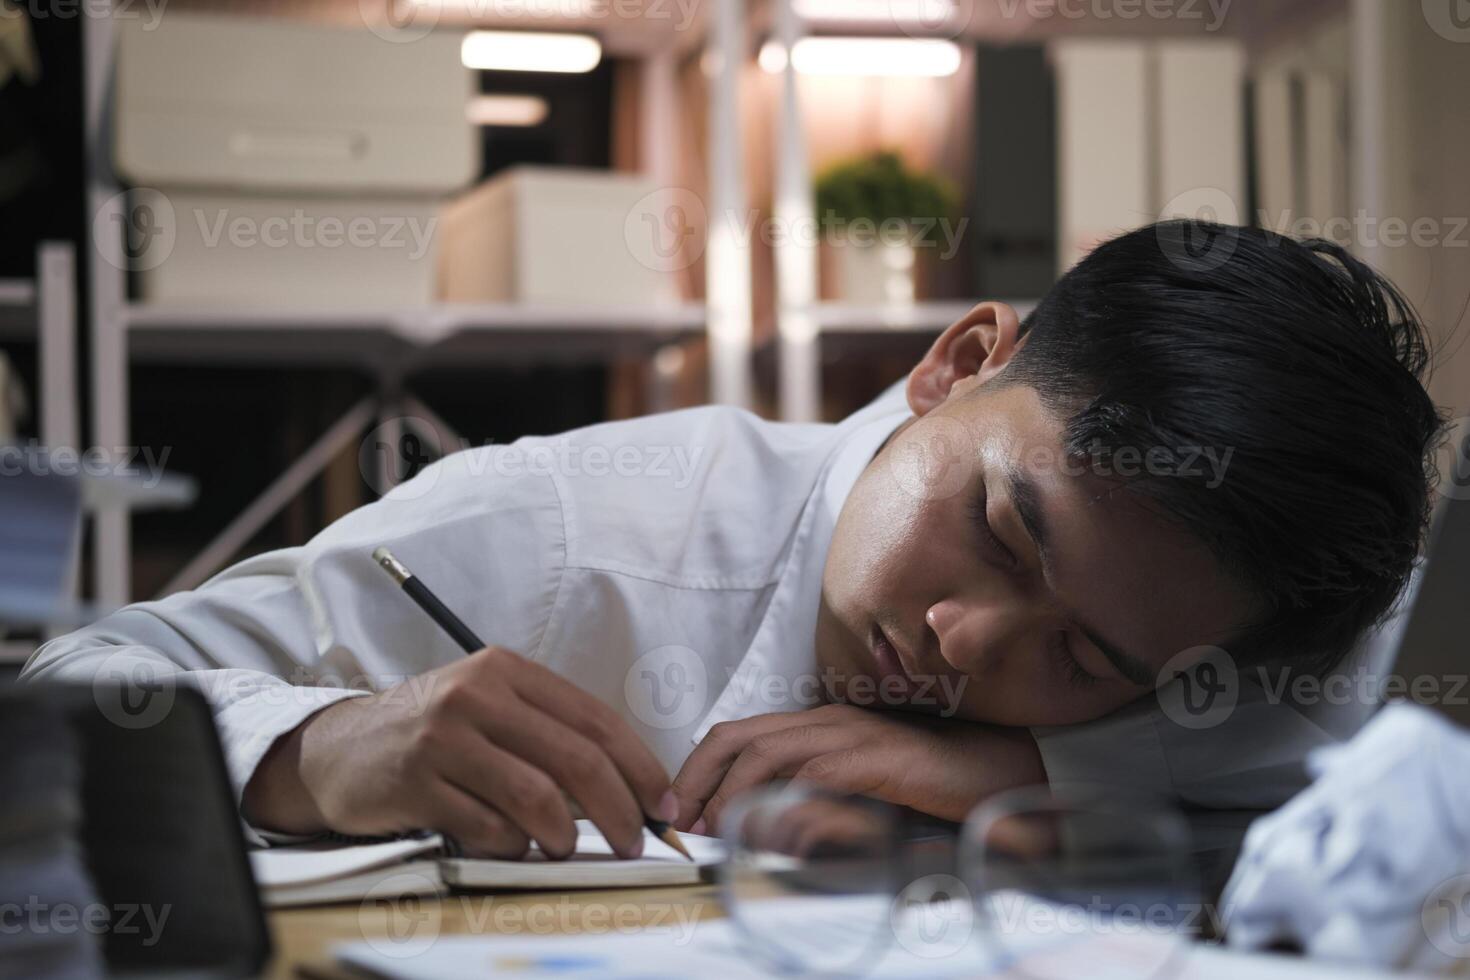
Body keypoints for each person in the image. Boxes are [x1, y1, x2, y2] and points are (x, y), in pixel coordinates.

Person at [23, 221, 1442, 860]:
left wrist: (1028, 761)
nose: (964, 646)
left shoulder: (1219, 640)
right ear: (952, 362)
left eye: (1080, 654)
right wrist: (310, 749)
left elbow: (1373, 703)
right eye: (1001, 535)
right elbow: (61, 692)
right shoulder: (586, 528)